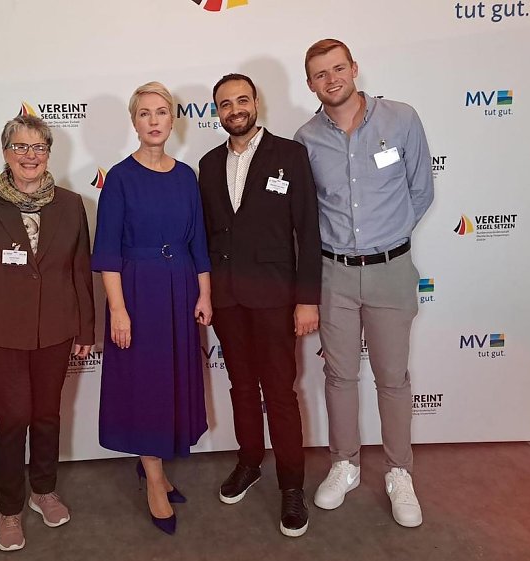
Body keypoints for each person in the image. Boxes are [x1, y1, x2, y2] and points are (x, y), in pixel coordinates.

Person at [294, 38, 434, 528]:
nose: (330, 79)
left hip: (392, 271)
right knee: (340, 377)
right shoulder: (306, 138)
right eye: (319, 74)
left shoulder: (401, 119)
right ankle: (345, 463)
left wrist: (386, 240)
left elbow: (421, 189)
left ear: (354, 68)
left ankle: (399, 473)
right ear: (309, 82)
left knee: (393, 379)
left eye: (337, 68)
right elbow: (308, 213)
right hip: (333, 274)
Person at [0, 114, 94, 551]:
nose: (29, 156)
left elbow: (80, 271)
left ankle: (43, 491)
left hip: (55, 330)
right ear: (5, 153)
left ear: (49, 154)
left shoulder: (71, 204)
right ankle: (9, 510)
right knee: (13, 420)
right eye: (20, 147)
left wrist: (85, 327)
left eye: (38, 148)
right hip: (0, 335)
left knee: (47, 415)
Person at [197, 73, 322, 537]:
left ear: (256, 103)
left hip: (275, 299)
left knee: (281, 394)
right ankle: (249, 462)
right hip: (228, 300)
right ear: (218, 112)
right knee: (241, 389)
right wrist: (205, 294)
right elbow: (206, 236)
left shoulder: (289, 155)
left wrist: (307, 299)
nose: (235, 110)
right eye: (225, 104)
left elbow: (308, 232)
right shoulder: (208, 165)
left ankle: (292, 486)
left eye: (242, 100)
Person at [92, 81, 212, 535]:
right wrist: (118, 311)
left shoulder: (186, 176)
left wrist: (204, 294)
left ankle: (154, 461)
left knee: (171, 379)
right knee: (144, 382)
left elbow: (198, 240)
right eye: (145, 113)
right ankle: (155, 478)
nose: (155, 120)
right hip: (138, 292)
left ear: (173, 119)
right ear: (134, 122)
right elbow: (107, 251)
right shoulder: (120, 177)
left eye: (162, 112)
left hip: (181, 287)